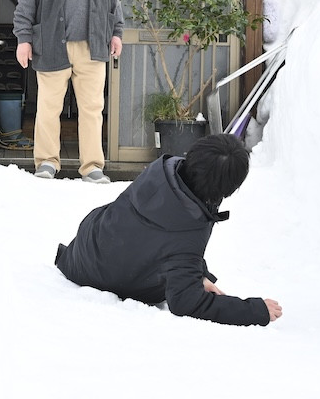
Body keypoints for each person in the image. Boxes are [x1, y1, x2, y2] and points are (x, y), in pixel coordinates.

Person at [54, 134, 283, 326]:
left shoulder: (163, 170)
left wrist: (197, 274)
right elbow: (185, 302)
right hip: (102, 277)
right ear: (228, 189)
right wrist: (254, 311)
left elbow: (154, 238)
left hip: (87, 243)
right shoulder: (189, 230)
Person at [13, 0, 123, 184]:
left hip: (92, 44)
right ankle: (47, 162)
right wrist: (24, 39)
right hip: (51, 43)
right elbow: (26, 2)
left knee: (92, 108)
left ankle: (92, 166)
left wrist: (117, 32)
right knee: (48, 107)